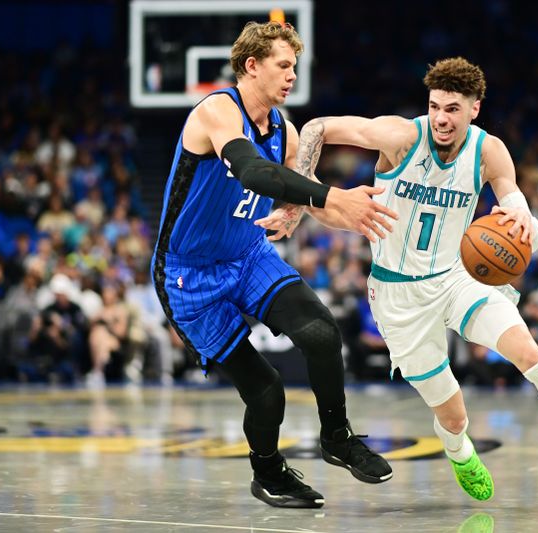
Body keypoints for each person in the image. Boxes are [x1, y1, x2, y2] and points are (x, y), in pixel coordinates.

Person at [265, 57, 538, 504]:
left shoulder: (489, 150)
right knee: (453, 416)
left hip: (456, 277)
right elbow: (318, 127)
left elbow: (518, 209)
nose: (440, 117)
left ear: (475, 108)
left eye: (453, 108)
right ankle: (458, 450)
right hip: (398, 294)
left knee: (531, 354)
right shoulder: (401, 136)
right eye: (435, 106)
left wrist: (522, 219)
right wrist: (298, 200)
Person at [150, 21, 396, 509]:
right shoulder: (217, 110)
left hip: (247, 254)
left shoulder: (286, 131)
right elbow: (254, 171)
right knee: (267, 392)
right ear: (252, 66)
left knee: (323, 333)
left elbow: (301, 197)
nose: (291, 76)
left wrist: (352, 213)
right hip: (188, 274)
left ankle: (336, 435)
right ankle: (269, 473)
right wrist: (329, 195)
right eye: (284, 66)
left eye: (295, 68)